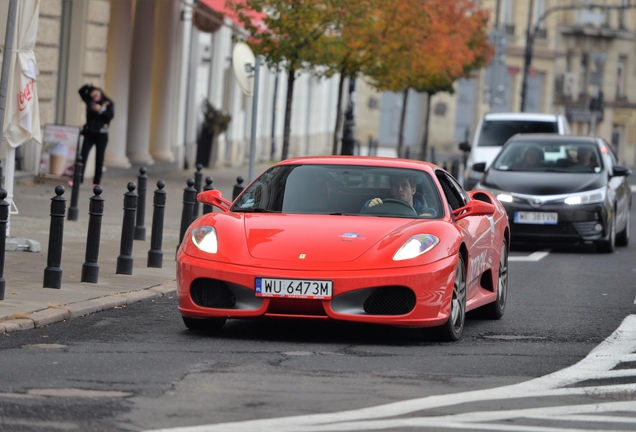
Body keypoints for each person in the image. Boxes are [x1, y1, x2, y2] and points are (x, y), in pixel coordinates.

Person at [77, 82, 114, 186]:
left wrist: (101, 110)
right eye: (92, 92)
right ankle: (78, 179)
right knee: (82, 156)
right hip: (89, 133)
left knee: (99, 158)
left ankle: (96, 182)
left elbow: (110, 116)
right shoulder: (90, 101)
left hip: (102, 134)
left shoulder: (107, 102)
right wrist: (89, 85)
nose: (93, 94)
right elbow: (81, 91)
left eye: (95, 91)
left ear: (99, 91)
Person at [363, 175, 434, 215]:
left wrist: (429, 217)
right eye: (395, 186)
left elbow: (435, 215)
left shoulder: (424, 211)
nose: (400, 189)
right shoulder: (381, 205)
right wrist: (370, 206)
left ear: (413, 190)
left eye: (404, 186)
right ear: (391, 189)